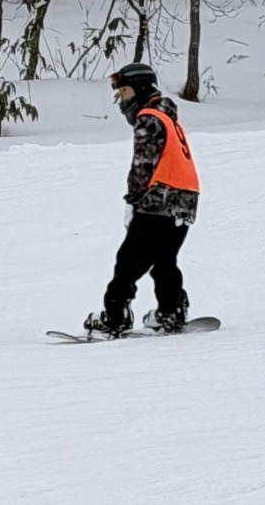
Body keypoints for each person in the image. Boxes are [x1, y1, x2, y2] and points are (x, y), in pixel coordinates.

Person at [84, 63, 200, 338]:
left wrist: (133, 200)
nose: (121, 100)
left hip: (159, 198)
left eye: (124, 92)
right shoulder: (167, 116)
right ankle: (171, 310)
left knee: (128, 261)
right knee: (163, 260)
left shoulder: (149, 117)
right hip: (186, 198)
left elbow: (143, 165)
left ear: (140, 89)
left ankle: (115, 317)